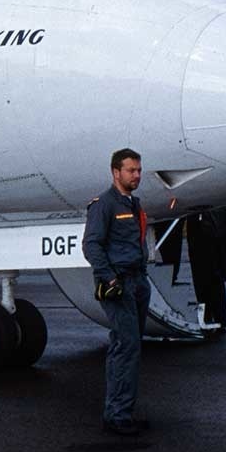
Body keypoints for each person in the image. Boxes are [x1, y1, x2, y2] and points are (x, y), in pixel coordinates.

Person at [83, 148, 152, 436]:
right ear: (115, 173)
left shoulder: (133, 204)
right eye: (131, 170)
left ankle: (122, 411)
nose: (136, 175)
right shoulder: (104, 205)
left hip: (137, 282)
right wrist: (110, 280)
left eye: (138, 170)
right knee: (126, 347)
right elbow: (91, 245)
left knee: (128, 347)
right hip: (119, 285)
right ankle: (117, 416)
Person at [186, 206, 226, 330]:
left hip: (205, 251)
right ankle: (216, 319)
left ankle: (210, 318)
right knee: (214, 285)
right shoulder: (221, 206)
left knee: (206, 285)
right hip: (213, 251)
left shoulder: (198, 211)